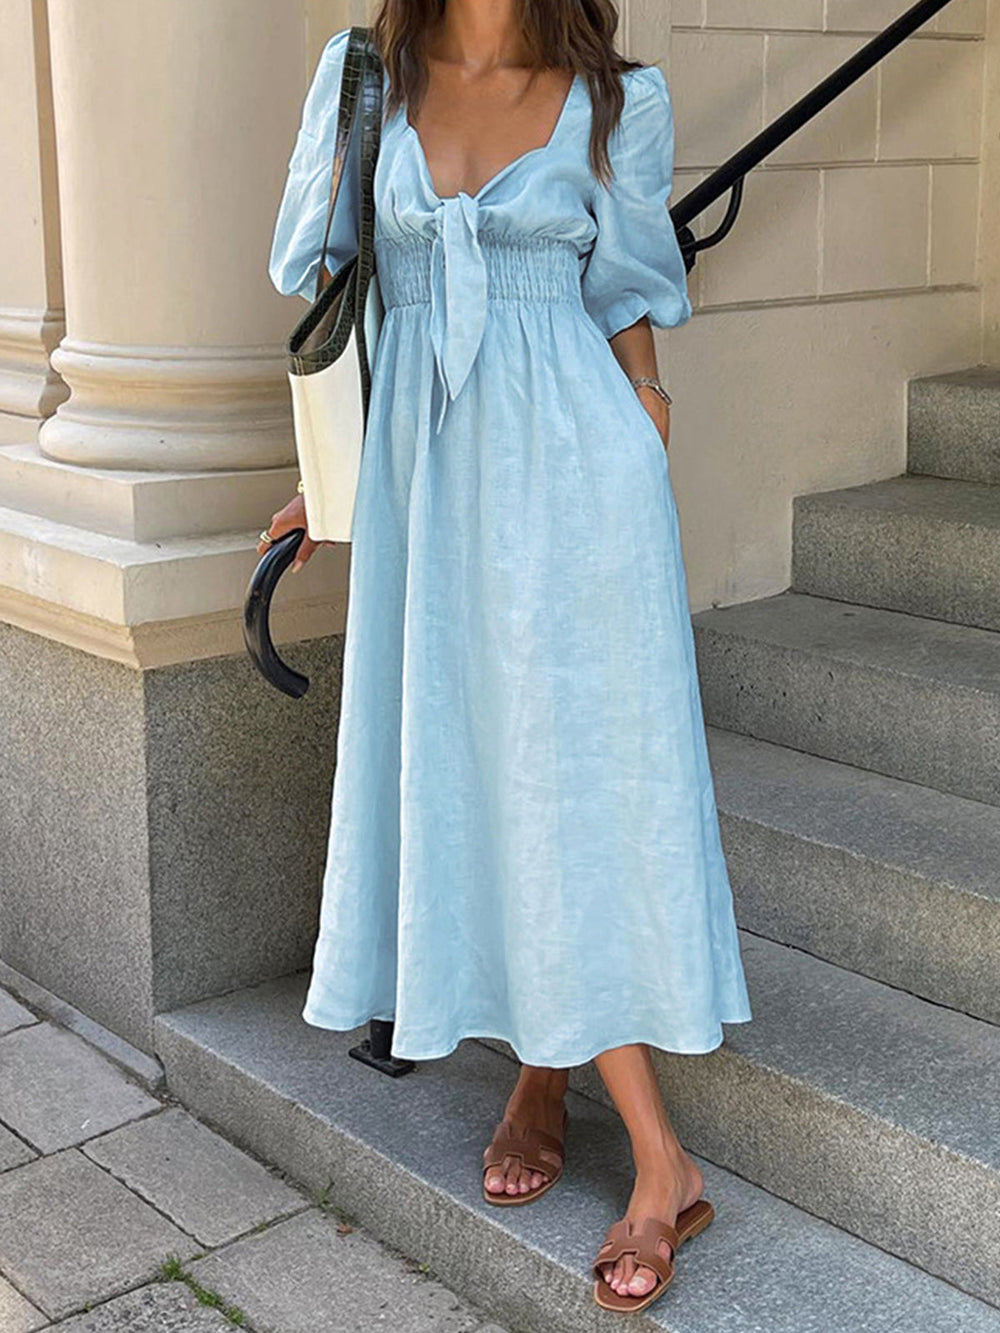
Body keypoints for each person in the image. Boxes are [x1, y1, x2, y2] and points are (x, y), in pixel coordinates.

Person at [263, 0, 752, 1314]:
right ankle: (542, 1069)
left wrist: (646, 422)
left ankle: (661, 1161)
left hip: (580, 481)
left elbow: (628, 302)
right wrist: (324, 480)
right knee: (490, 780)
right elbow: (340, 291)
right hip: (429, 491)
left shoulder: (617, 99)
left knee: (573, 793)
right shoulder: (366, 79)